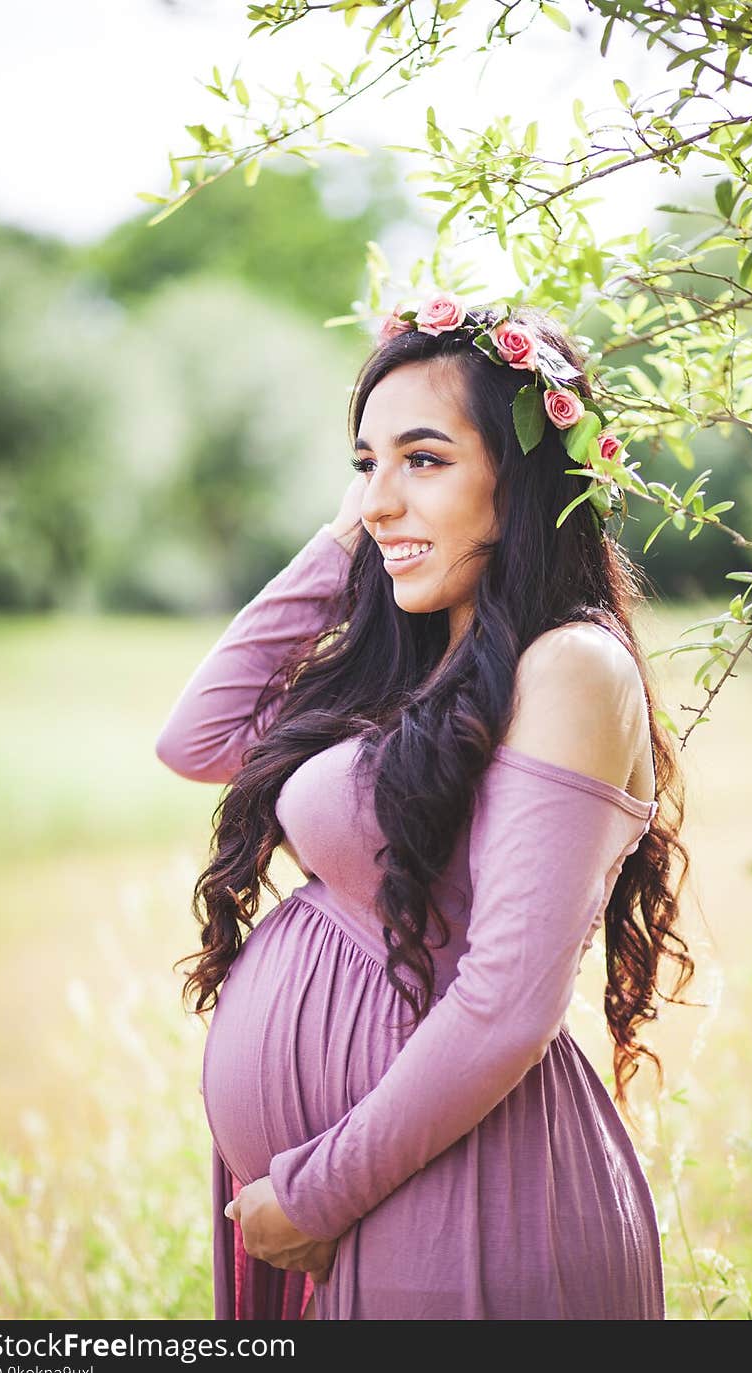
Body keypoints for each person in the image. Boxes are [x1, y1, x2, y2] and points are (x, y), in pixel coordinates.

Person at [155, 294, 693, 1321]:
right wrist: (362, 534)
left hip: (470, 1196)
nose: (377, 500)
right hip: (369, 1198)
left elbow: (505, 1003)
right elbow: (196, 739)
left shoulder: (571, 667)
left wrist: (319, 1191)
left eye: (425, 458)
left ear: (523, 473)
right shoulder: (404, 669)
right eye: (364, 464)